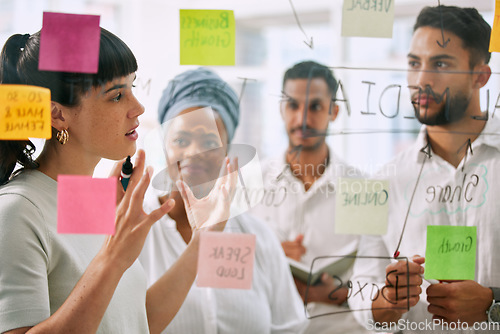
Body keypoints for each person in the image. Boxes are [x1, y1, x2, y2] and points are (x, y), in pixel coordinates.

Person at [0, 28, 236, 334]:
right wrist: (114, 258)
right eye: (117, 95)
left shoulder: (92, 204)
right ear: (57, 114)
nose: (138, 108)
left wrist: (203, 240)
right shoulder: (18, 212)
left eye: (133, 87)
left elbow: (134, 322)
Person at [349, 5, 500, 333]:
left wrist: (494, 304)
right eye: (414, 63)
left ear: (480, 75)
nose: (421, 80)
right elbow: (361, 282)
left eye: (441, 63)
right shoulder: (383, 181)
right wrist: (385, 302)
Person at [138, 67, 307, 334]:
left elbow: (291, 328)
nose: (195, 151)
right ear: (164, 145)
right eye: (181, 139)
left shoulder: (259, 238)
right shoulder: (136, 234)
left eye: (209, 141)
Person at [249, 61, 369, 333]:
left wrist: (333, 293)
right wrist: (267, 255)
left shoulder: (363, 190)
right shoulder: (250, 184)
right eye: (293, 105)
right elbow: (221, 270)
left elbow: (377, 280)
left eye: (315, 107)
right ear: (281, 109)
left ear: (334, 111)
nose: (302, 118)